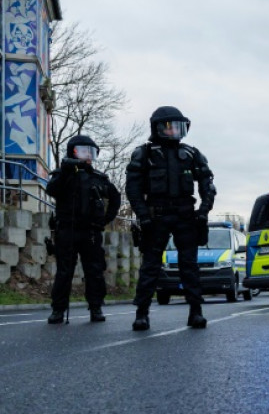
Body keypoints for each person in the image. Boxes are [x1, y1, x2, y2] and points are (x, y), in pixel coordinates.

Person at [126, 107, 216, 331]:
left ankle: (196, 311)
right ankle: (142, 313)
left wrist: (204, 211)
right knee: (150, 266)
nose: (174, 131)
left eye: (178, 126)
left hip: (186, 215)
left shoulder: (192, 154)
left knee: (190, 266)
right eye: (169, 126)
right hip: (156, 215)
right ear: (157, 128)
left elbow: (208, 185)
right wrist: (143, 216)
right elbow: (133, 189)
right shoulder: (144, 154)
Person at [45, 135, 120, 324]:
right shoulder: (62, 175)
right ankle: (58, 310)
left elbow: (115, 197)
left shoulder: (98, 178)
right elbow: (51, 190)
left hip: (91, 232)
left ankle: (96, 308)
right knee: (64, 272)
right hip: (67, 230)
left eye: (91, 152)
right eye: (83, 151)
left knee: (94, 271)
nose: (88, 156)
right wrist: (65, 170)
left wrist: (105, 220)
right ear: (73, 151)